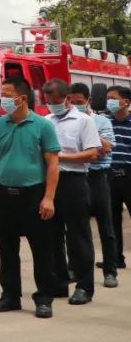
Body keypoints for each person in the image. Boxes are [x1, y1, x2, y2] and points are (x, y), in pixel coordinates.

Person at [0, 77, 60, 319]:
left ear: (22, 98)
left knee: (42, 250)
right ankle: (10, 295)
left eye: (7, 94)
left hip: (34, 195)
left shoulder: (42, 125)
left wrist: (48, 197)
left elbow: (53, 163)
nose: (2, 99)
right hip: (4, 194)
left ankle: (44, 298)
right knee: (6, 249)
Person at [43, 79, 102, 304]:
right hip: (49, 182)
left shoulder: (83, 121)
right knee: (51, 235)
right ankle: (59, 283)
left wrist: (58, 158)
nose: (52, 106)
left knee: (78, 236)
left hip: (73, 181)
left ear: (67, 99)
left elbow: (91, 154)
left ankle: (85, 286)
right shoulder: (45, 120)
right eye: (48, 102)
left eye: (56, 102)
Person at [71, 84, 118, 288]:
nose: (74, 105)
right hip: (77, 177)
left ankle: (110, 270)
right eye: (71, 102)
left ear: (89, 100)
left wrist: (87, 126)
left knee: (106, 227)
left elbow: (105, 148)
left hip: (98, 178)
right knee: (76, 229)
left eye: (79, 102)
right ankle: (75, 267)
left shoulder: (101, 121)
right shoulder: (67, 121)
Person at [106, 86, 131, 270]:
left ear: (126, 102)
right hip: (110, 175)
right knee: (112, 220)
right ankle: (116, 259)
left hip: (129, 174)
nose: (109, 102)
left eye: (113, 98)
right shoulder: (104, 122)